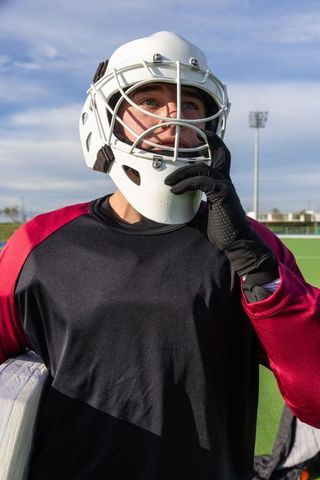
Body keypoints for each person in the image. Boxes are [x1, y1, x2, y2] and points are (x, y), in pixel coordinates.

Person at [0, 31, 320, 480]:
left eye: (190, 104)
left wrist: (256, 269)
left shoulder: (250, 246)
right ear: (107, 118)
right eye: (149, 100)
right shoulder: (40, 242)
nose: (173, 116)